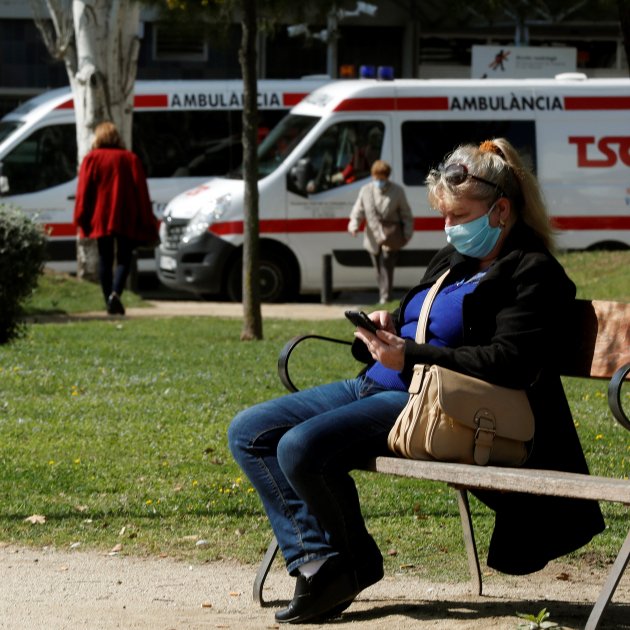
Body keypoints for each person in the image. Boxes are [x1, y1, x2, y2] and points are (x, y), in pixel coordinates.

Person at [228, 138, 605, 625]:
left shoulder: (534, 272)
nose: (449, 226)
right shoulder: (453, 259)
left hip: (432, 403)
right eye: (444, 215)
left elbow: (510, 361)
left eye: (459, 215)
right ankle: (321, 561)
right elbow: (419, 323)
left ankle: (347, 567)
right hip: (380, 384)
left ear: (501, 210)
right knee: (250, 432)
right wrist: (384, 330)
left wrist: (412, 355)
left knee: (300, 448)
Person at [74, 121, 158, 315]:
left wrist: (81, 216)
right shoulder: (130, 159)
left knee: (105, 257)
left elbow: (84, 191)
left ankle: (108, 299)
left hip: (101, 216)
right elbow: (141, 191)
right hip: (126, 215)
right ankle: (115, 294)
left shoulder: (91, 159)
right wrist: (145, 217)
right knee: (124, 257)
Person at [348, 160, 414, 303]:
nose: (379, 181)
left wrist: (407, 233)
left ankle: (386, 296)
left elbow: (406, 214)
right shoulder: (366, 190)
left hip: (391, 236)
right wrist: (354, 226)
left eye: (382, 178)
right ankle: (383, 294)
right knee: (378, 268)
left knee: (387, 265)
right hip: (372, 237)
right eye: (376, 178)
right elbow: (358, 211)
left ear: (387, 177)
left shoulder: (397, 191)